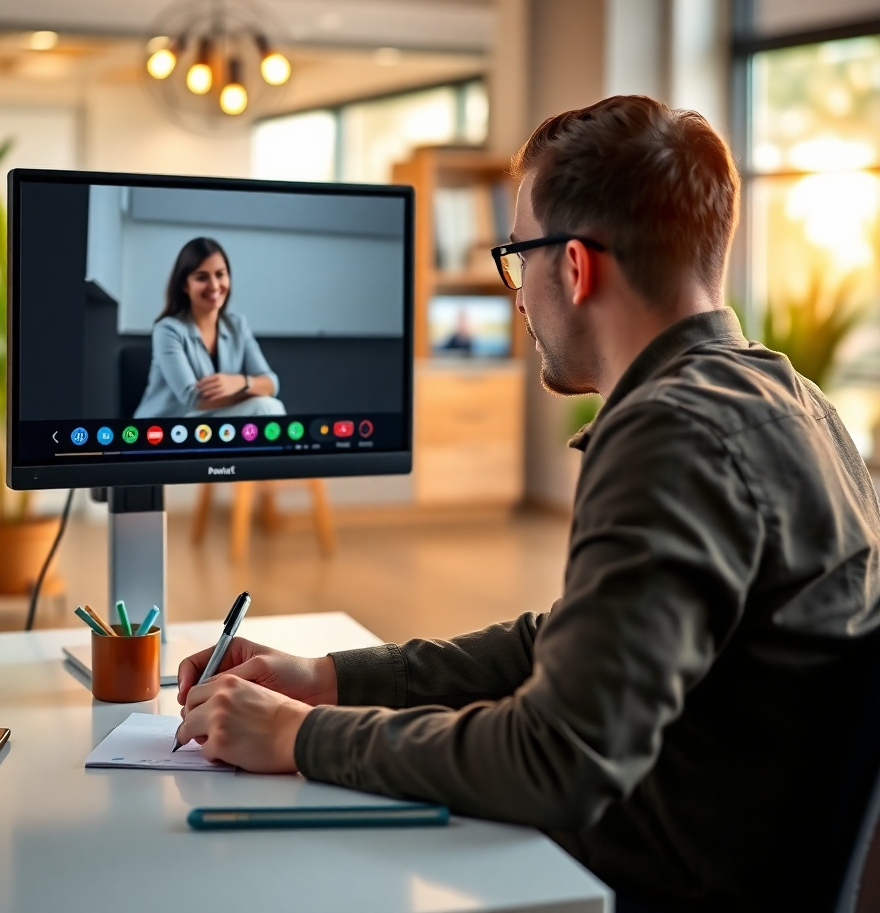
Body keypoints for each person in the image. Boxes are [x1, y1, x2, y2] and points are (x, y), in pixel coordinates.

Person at [173, 97, 880, 913]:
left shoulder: (670, 434)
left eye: (518, 257)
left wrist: (297, 736)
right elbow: (568, 641)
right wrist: (328, 679)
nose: (516, 296)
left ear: (574, 267)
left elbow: (554, 758)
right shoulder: (795, 400)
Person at [133, 237, 285, 419]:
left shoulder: (237, 325)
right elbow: (194, 399)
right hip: (165, 428)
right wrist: (254, 390)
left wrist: (240, 382)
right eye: (202, 277)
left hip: (211, 425)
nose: (214, 285)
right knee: (264, 407)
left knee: (268, 406)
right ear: (185, 285)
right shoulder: (167, 330)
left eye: (220, 274)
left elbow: (271, 383)